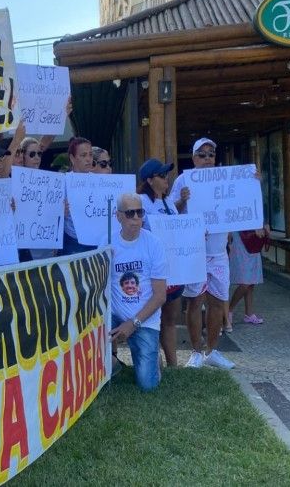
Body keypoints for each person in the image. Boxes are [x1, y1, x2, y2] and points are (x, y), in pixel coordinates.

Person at [169, 137, 234, 369]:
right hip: (195, 252)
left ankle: (212, 351)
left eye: (211, 154)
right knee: (195, 302)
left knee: (218, 302)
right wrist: (181, 200)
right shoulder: (183, 180)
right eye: (202, 154)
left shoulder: (225, 178)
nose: (207, 158)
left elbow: (240, 203)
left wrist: (252, 183)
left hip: (218, 252)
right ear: (194, 157)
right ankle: (196, 351)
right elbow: (171, 212)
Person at [106, 193, 168, 391]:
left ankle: (153, 359)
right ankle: (112, 363)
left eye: (140, 213)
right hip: (114, 316)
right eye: (130, 213)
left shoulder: (154, 244)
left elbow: (160, 295)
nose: (136, 218)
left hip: (144, 319)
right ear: (118, 216)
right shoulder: (107, 244)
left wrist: (133, 324)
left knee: (147, 385)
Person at [137, 158, 183, 366]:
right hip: (151, 272)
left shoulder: (169, 202)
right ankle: (153, 363)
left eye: (167, 175)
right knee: (151, 320)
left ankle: (173, 365)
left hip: (173, 270)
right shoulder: (140, 202)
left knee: (170, 319)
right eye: (162, 175)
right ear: (149, 180)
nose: (166, 179)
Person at [59, 136, 95, 255]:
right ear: (72, 158)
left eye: (90, 155)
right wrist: (60, 212)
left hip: (97, 241)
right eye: (83, 155)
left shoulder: (100, 181)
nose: (88, 159)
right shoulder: (62, 182)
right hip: (73, 242)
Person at [228, 225, 270, 328]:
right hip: (240, 234)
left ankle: (249, 313)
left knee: (251, 281)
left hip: (253, 235)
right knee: (245, 282)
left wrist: (263, 225)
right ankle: (229, 310)